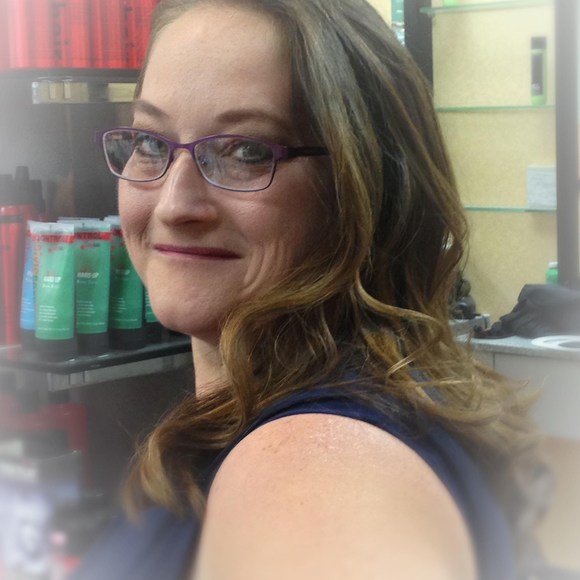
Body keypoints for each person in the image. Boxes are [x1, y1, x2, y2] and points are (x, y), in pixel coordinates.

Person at [76, 0, 548, 578]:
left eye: (246, 151)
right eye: (151, 142)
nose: (174, 205)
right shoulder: (379, 405)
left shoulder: (318, 465)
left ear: (362, 188)